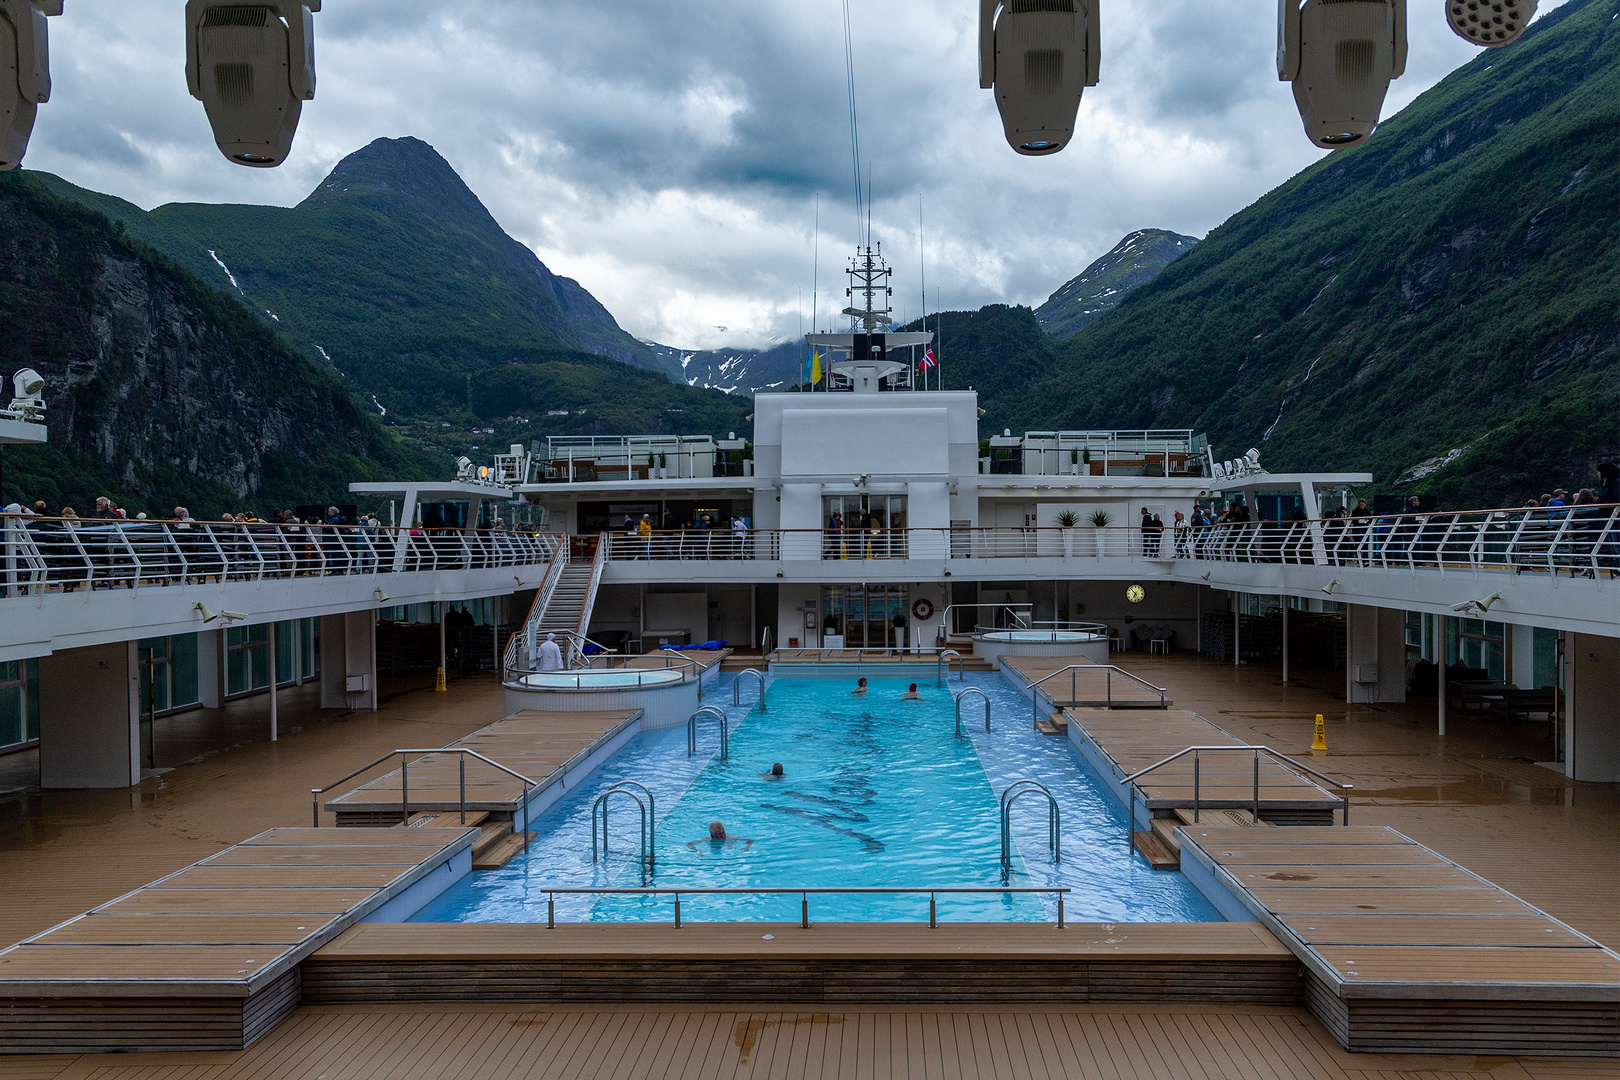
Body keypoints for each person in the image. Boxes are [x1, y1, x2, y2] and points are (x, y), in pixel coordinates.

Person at [688, 820, 753, 851]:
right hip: (714, 847)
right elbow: (689, 844)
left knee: (731, 849)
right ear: (712, 835)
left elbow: (750, 840)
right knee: (715, 850)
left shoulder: (730, 837)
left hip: (729, 845)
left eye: (723, 832)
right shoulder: (708, 839)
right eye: (719, 834)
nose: (722, 835)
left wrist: (747, 847)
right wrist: (698, 850)